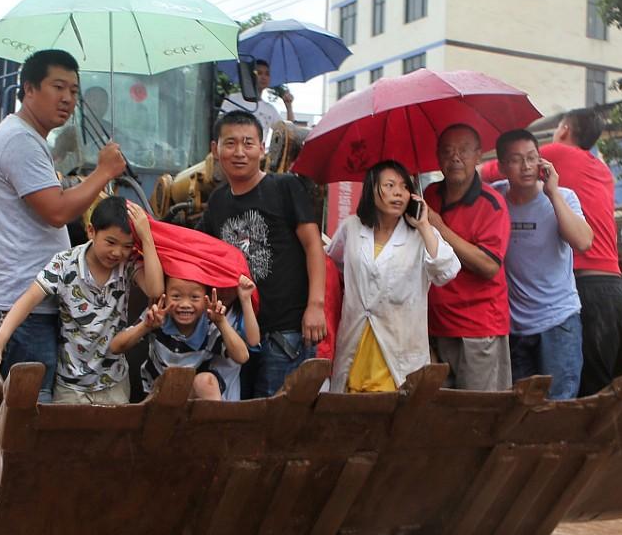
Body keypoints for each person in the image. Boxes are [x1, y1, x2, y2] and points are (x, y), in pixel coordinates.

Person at [0, 49, 127, 401]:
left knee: (12, 417)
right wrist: (104, 172)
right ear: (29, 88)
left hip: (15, 297)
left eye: (74, 91)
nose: (67, 98)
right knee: (32, 418)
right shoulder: (21, 141)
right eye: (58, 87)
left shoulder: (14, 134)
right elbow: (57, 211)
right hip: (24, 307)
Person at [0, 197, 163, 406]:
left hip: (114, 383)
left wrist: (146, 238)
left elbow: (155, 290)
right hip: (70, 386)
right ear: (91, 231)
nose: (117, 252)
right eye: (110, 242)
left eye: (127, 246)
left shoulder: (127, 265)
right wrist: (1, 336)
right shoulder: (64, 264)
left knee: (111, 439)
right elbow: (29, 299)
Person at [199, 110, 328, 397]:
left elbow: (313, 246)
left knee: (276, 424)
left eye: (248, 143)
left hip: (287, 332)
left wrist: (316, 306)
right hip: (241, 335)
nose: (239, 152)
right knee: (246, 417)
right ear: (215, 150)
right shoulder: (218, 201)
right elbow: (198, 250)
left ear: (262, 148)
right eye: (230, 143)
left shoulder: (285, 187)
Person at [327, 161, 459, 393]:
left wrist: (424, 225)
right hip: (356, 343)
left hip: (400, 347)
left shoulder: (420, 234)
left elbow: (446, 271)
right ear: (371, 189)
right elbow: (336, 261)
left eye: (404, 187)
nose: (398, 192)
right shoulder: (352, 228)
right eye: (389, 185)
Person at [493, 130, 594, 400]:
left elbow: (584, 242)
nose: (526, 166)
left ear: (542, 162)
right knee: (519, 408)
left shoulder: (563, 197)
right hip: (515, 326)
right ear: (502, 167)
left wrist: (553, 195)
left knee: (559, 406)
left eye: (531, 158)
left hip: (559, 321)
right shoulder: (494, 198)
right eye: (516, 160)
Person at [542, 107, 622, 395]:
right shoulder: (603, 171)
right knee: (597, 385)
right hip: (614, 290)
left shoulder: (556, 154)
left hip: (584, 287)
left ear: (564, 129)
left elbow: (503, 167)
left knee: (571, 385)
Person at [423, 123, 513, 391]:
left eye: (463, 150)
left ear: (478, 156)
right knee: (438, 414)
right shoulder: (429, 196)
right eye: (448, 151)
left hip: (478, 329)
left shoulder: (492, 203)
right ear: (438, 158)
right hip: (434, 325)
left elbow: (488, 266)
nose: (455, 158)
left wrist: (439, 227)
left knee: (478, 414)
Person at [120, 273, 260, 400]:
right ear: (164, 296)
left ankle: (214, 426)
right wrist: (146, 326)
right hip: (156, 392)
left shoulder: (209, 326)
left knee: (207, 382)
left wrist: (221, 322)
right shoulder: (157, 318)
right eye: (176, 296)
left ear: (206, 300)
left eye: (194, 297)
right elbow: (116, 346)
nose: (185, 304)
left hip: (193, 393)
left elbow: (242, 356)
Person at [219, 60, 293, 147]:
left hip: (257, 157)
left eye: (267, 74)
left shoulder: (270, 109)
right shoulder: (233, 99)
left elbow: (288, 132)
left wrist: (288, 106)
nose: (263, 77)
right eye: (259, 73)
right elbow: (220, 127)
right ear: (250, 75)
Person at [51, 84, 114, 176]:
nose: (97, 105)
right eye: (93, 100)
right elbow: (55, 164)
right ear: (83, 104)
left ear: (107, 106)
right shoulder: (70, 134)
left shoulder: (114, 134)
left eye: (102, 102)